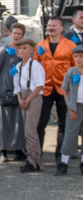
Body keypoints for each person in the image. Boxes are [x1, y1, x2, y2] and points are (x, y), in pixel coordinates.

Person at [34, 16, 76, 162]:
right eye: (49, 25)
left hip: (64, 90)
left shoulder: (70, 45)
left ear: (61, 28)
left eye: (54, 26)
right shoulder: (41, 45)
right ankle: (36, 156)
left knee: (63, 124)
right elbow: (35, 67)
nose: (51, 28)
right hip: (45, 89)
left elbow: (75, 67)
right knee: (40, 123)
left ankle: (61, 157)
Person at [0, 23, 27, 162]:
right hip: (6, 90)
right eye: (15, 33)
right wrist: (3, 81)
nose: (17, 36)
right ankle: (3, 150)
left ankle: (18, 149)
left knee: (19, 120)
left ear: (23, 36)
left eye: (20, 34)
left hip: (20, 91)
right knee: (4, 120)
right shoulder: (3, 51)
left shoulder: (24, 51)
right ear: (10, 34)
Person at [13, 38, 45, 173]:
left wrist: (29, 99)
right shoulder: (19, 66)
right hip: (24, 96)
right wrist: (20, 99)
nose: (22, 51)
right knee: (28, 130)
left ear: (32, 50)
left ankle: (33, 160)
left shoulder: (36, 65)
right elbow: (17, 86)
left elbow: (39, 85)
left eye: (25, 48)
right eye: (20, 48)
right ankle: (35, 161)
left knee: (30, 130)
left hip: (34, 96)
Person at [55, 45, 83, 175]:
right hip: (75, 106)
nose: (78, 59)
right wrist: (70, 108)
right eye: (76, 56)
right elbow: (65, 90)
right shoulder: (72, 72)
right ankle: (63, 163)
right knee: (70, 135)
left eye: (81, 56)